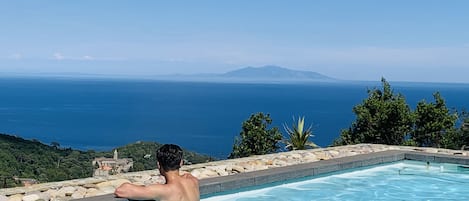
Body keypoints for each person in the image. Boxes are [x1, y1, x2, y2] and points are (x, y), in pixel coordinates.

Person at [114, 144, 200, 201]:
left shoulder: (162, 190)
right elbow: (184, 178)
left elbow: (121, 191)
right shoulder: (193, 181)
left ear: (158, 165)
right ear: (181, 162)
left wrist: (145, 186)